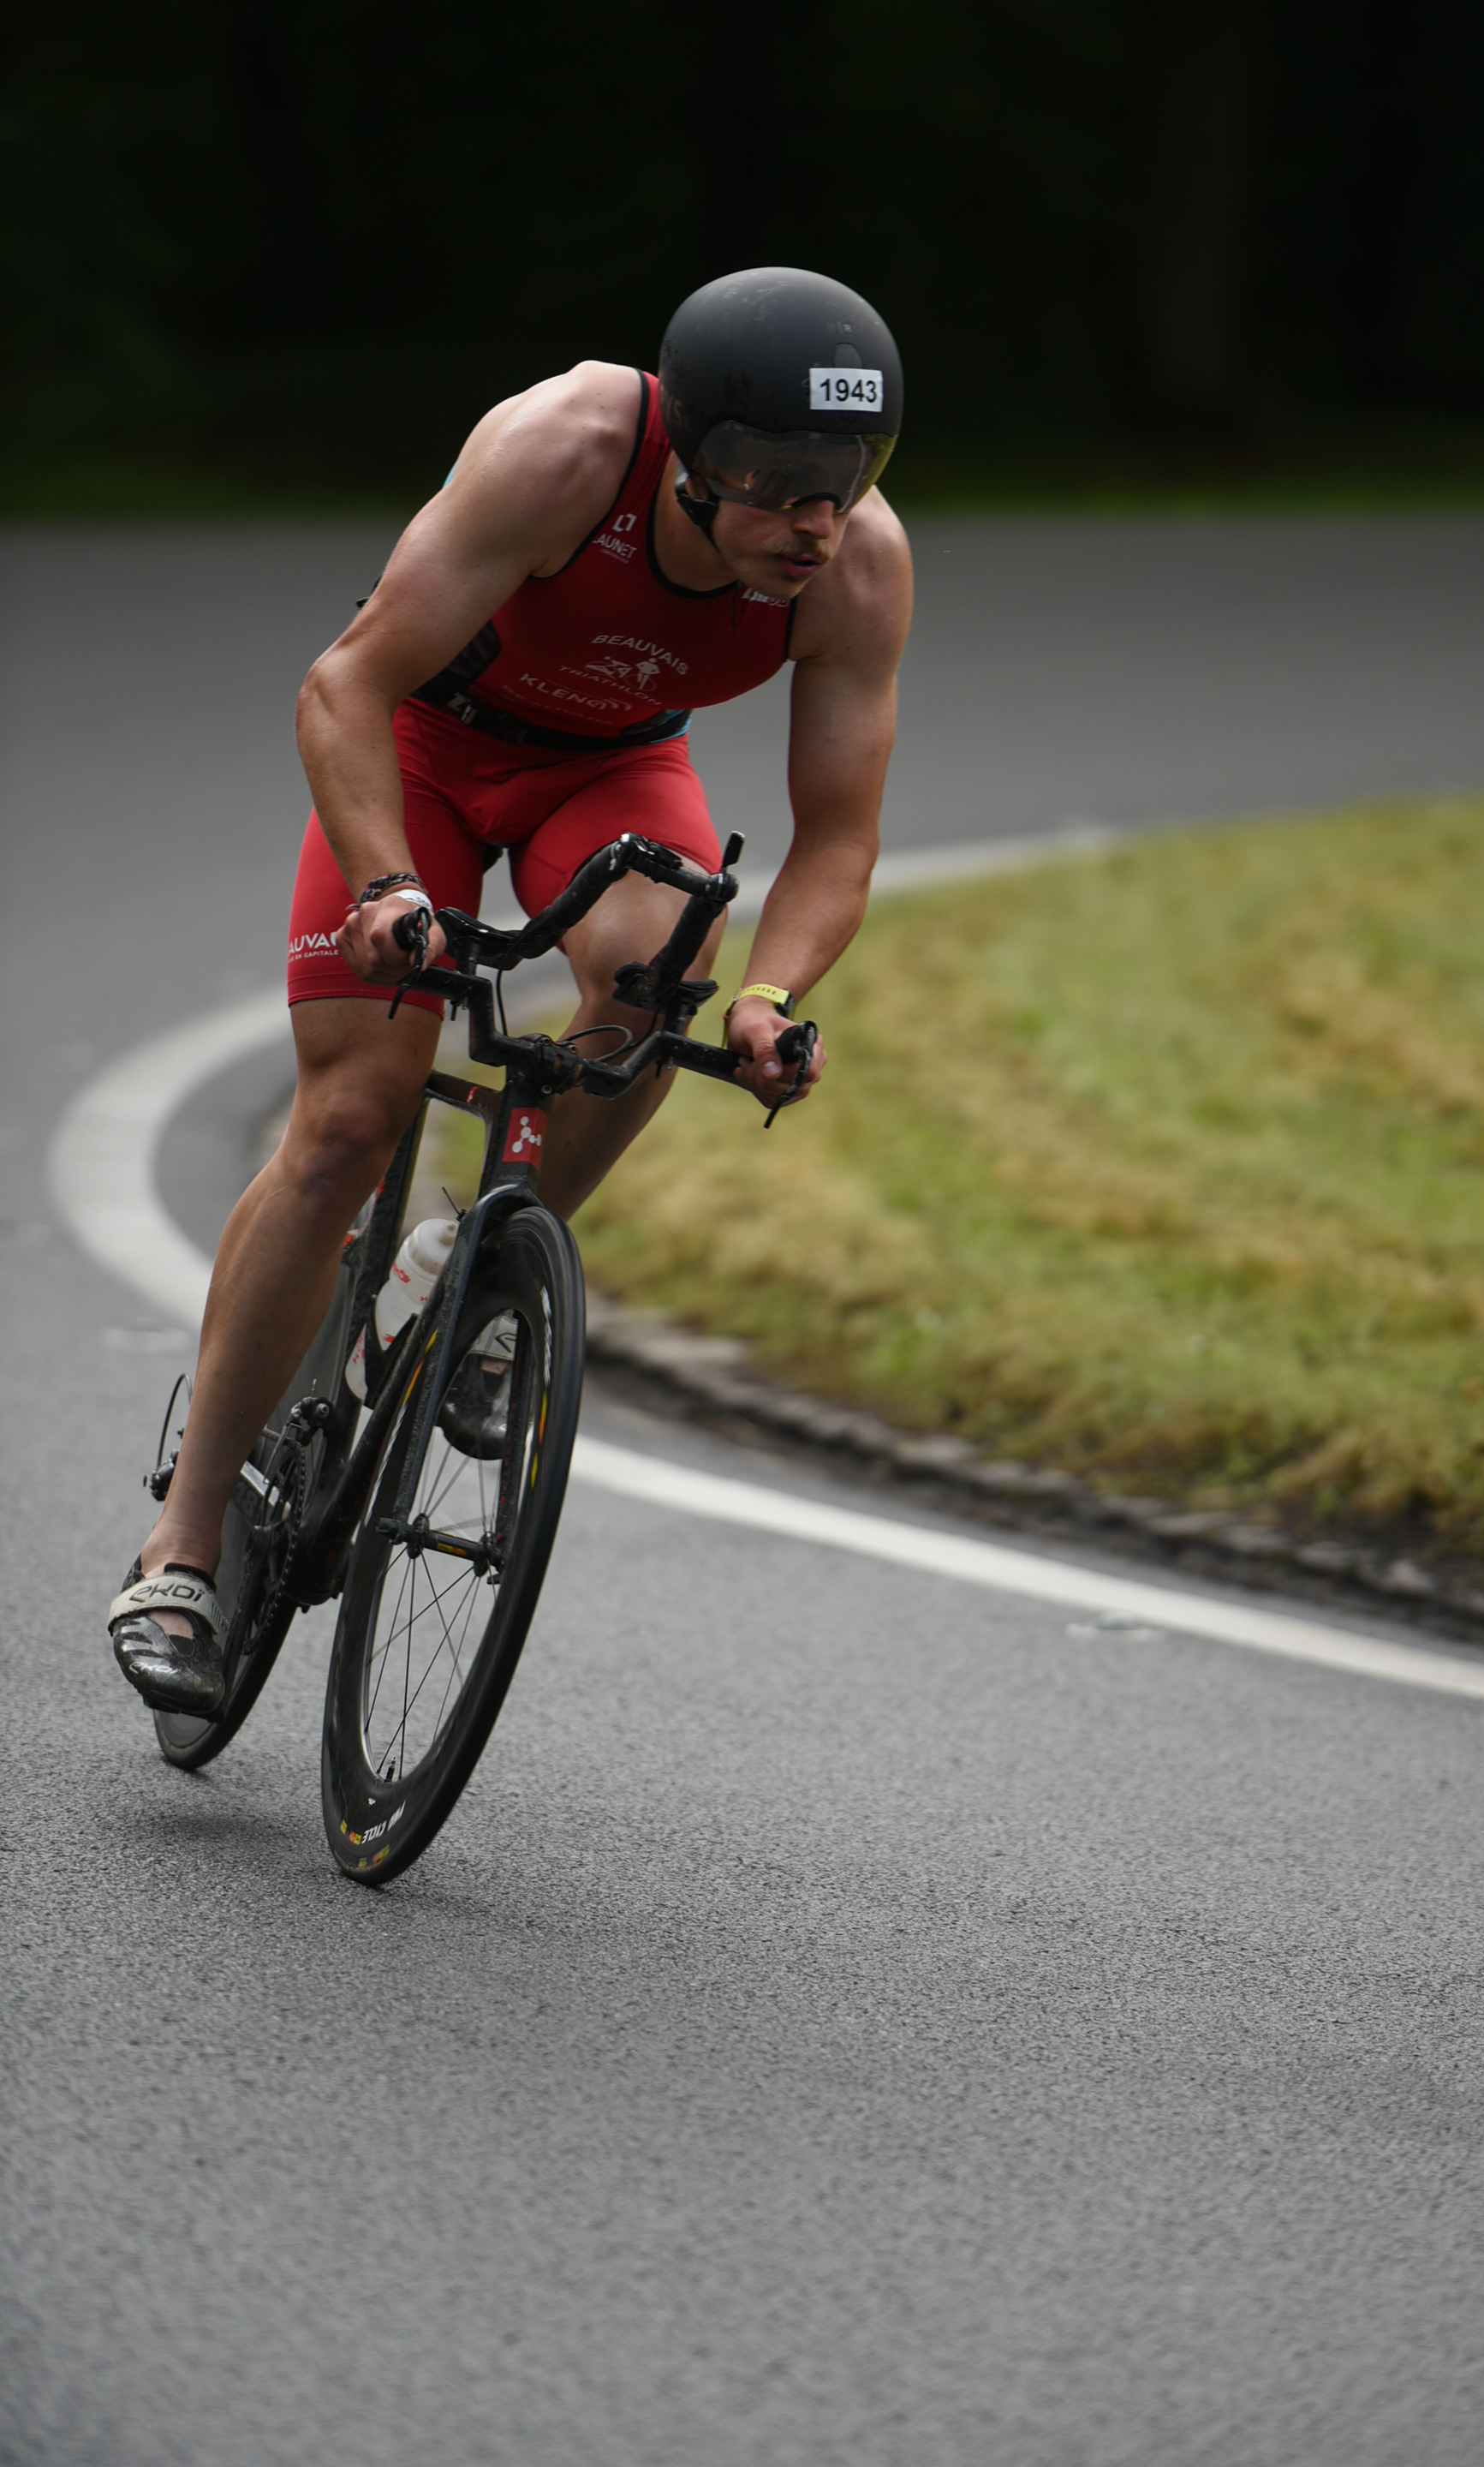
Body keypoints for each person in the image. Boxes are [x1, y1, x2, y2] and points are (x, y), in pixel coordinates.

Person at [108, 266, 915, 1713]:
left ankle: (478, 1285)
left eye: (844, 479)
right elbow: (345, 685)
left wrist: (772, 996)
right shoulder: (567, 450)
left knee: (661, 983)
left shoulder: (858, 567)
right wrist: (383, 886)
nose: (816, 520)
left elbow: (839, 836)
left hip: (610, 768)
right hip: (420, 745)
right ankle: (182, 1544)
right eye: (779, 479)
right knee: (349, 1124)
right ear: (690, 455)